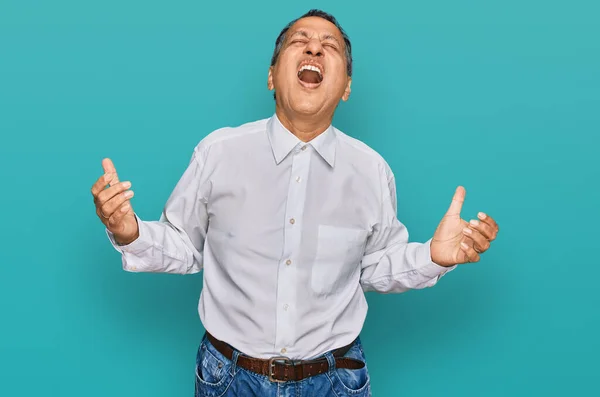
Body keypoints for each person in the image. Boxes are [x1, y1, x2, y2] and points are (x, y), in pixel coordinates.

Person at [90, 9, 499, 397]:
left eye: (330, 46)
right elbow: (184, 246)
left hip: (335, 380)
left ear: (347, 87)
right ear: (271, 76)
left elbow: (374, 268)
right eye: (299, 41)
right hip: (228, 377)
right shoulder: (218, 153)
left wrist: (435, 256)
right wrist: (130, 232)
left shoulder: (372, 171)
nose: (314, 49)